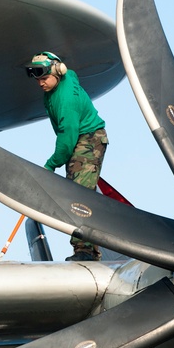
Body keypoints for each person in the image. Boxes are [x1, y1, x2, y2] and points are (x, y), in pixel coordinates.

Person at [26, 51, 108, 262]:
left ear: (57, 72)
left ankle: (85, 251)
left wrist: (51, 165)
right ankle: (92, 250)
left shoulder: (65, 101)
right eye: (37, 79)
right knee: (80, 190)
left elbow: (67, 139)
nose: (40, 83)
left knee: (77, 196)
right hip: (83, 138)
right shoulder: (64, 78)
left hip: (88, 139)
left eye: (44, 78)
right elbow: (71, 73)